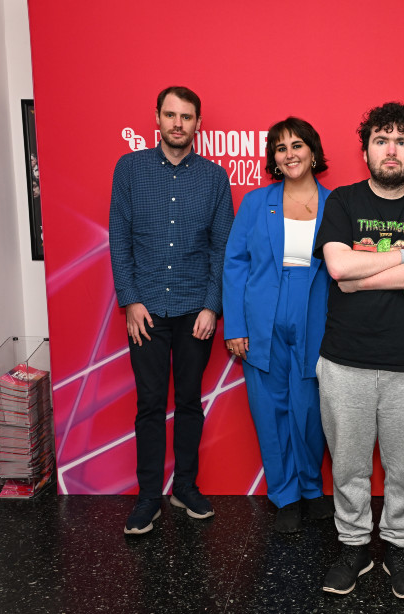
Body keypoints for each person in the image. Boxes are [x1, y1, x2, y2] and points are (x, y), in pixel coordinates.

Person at [314, 102, 404, 599]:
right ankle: (353, 546)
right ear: (365, 149)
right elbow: (336, 267)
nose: (390, 149)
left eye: (401, 140)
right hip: (344, 362)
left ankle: (398, 546)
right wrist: (402, 255)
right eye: (380, 139)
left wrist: (363, 270)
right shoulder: (343, 203)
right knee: (348, 465)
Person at [110, 86, 234, 534]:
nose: (178, 123)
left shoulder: (215, 179)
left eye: (186, 116)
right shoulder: (130, 169)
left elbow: (222, 248)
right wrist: (130, 300)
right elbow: (119, 240)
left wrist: (211, 306)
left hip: (194, 313)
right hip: (145, 311)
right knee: (148, 405)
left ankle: (184, 486)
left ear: (198, 123)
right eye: (170, 115)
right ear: (157, 118)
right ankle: (148, 498)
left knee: (188, 402)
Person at [222, 117, 334, 533]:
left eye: (298, 145)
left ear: (313, 151)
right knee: (270, 409)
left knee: (310, 408)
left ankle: (311, 489)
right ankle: (284, 494)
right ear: (274, 157)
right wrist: (234, 325)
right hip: (262, 311)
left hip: (316, 309)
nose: (290, 153)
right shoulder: (255, 203)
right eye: (281, 147)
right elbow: (235, 265)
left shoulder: (335, 203)